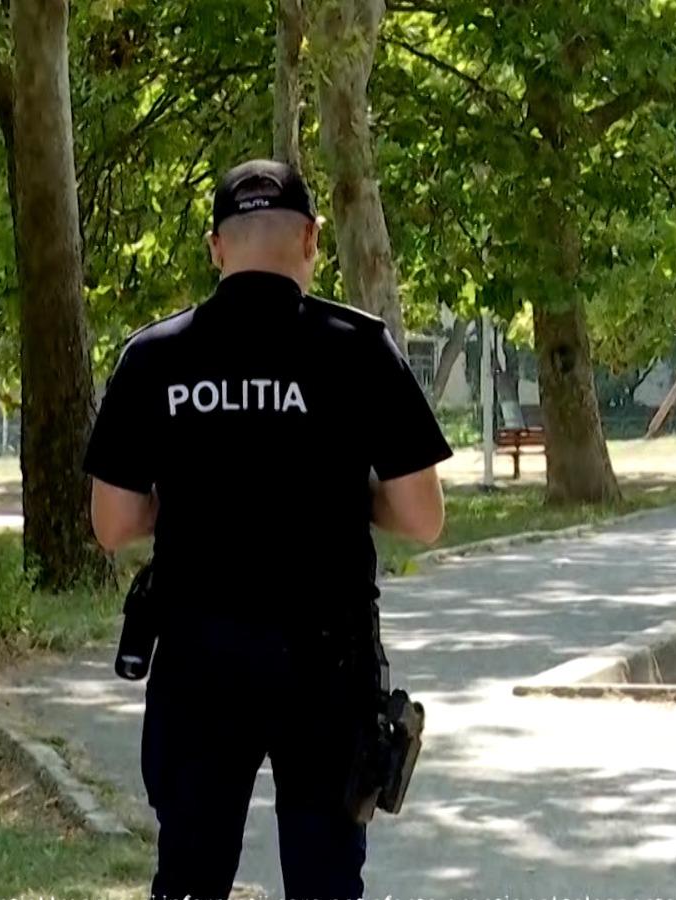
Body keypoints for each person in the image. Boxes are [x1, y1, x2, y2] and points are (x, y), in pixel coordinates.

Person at [84, 159, 451, 900]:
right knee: (325, 880)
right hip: (328, 660)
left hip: (198, 656)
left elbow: (113, 524)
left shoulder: (154, 356)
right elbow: (422, 517)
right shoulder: (359, 347)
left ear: (216, 247)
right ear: (312, 239)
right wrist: (346, 498)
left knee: (189, 876)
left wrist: (181, 504)